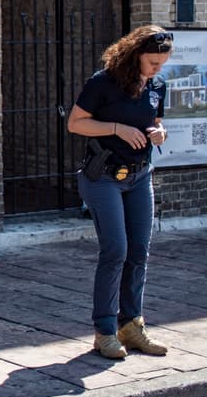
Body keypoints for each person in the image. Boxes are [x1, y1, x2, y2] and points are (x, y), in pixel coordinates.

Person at [67, 25, 174, 360]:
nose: (158, 68)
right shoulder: (104, 82)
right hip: (104, 178)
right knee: (116, 250)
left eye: (162, 62)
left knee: (139, 251)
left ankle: (132, 325)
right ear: (134, 55)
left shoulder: (157, 85)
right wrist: (116, 128)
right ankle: (104, 331)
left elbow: (155, 122)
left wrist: (159, 133)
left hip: (140, 176)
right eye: (153, 62)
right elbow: (75, 123)